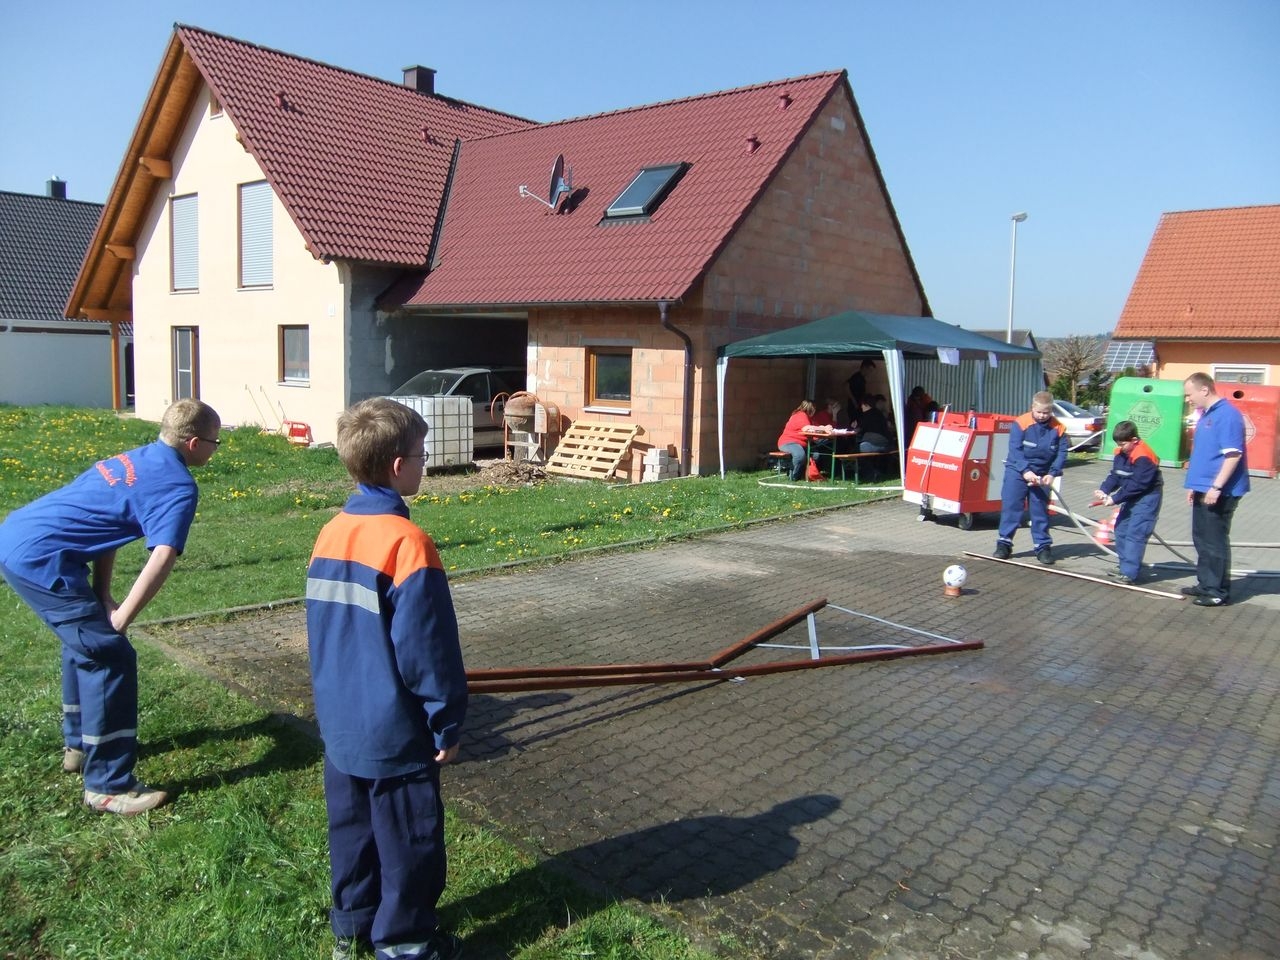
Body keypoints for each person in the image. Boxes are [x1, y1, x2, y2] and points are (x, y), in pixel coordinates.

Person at [0, 398, 221, 815]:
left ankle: (80, 746)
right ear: (194, 443)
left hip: (18, 536)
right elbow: (162, 556)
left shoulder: (131, 460)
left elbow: (111, 530)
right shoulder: (178, 485)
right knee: (109, 655)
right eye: (215, 442)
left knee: (85, 643)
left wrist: (103, 597)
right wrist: (121, 618)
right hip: (42, 560)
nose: (215, 449)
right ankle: (108, 785)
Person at [306, 398, 468, 960]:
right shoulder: (407, 544)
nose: (425, 464)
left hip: (340, 723)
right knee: (409, 841)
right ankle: (404, 942)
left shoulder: (331, 531)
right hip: (395, 732)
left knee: (351, 831)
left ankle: (352, 923)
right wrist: (445, 721)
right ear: (398, 466)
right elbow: (428, 651)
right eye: (422, 455)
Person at [1182, 373, 1250, 606]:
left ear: (1204, 390)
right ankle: (1205, 584)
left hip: (1220, 491)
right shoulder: (1207, 414)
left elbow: (1233, 455)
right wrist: (1195, 486)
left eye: (1189, 394)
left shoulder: (1227, 415)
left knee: (1214, 540)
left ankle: (1217, 591)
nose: (1188, 399)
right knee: (1201, 537)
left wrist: (1216, 486)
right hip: (1203, 487)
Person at [993, 391, 1068, 564]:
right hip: (1017, 471)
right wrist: (1025, 470)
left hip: (1042, 474)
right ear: (1032, 407)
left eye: (1046, 413)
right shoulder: (1021, 423)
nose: (1042, 416)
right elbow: (1015, 449)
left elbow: (1062, 453)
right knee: (1012, 507)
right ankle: (1004, 543)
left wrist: (1052, 473)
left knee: (1040, 510)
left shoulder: (1059, 428)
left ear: (1051, 411)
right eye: (1039, 412)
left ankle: (1042, 547)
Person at [1093, 420, 1163, 585]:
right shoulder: (1121, 453)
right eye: (1118, 444)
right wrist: (1104, 490)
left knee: (1135, 533)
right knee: (1121, 530)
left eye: (1123, 444)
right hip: (1131, 495)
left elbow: (1138, 484)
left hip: (1147, 497)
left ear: (1134, 440)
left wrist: (1115, 499)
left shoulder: (1143, 456)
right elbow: (1116, 474)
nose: (1120, 447)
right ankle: (1124, 566)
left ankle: (1129, 573)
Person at [777, 400, 827, 481]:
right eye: (814, 409)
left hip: (802, 444)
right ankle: (794, 476)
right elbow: (806, 428)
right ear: (810, 409)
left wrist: (824, 428)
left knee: (815, 455)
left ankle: (806, 473)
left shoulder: (808, 418)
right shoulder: (800, 415)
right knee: (799, 455)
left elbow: (814, 429)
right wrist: (823, 428)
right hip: (788, 442)